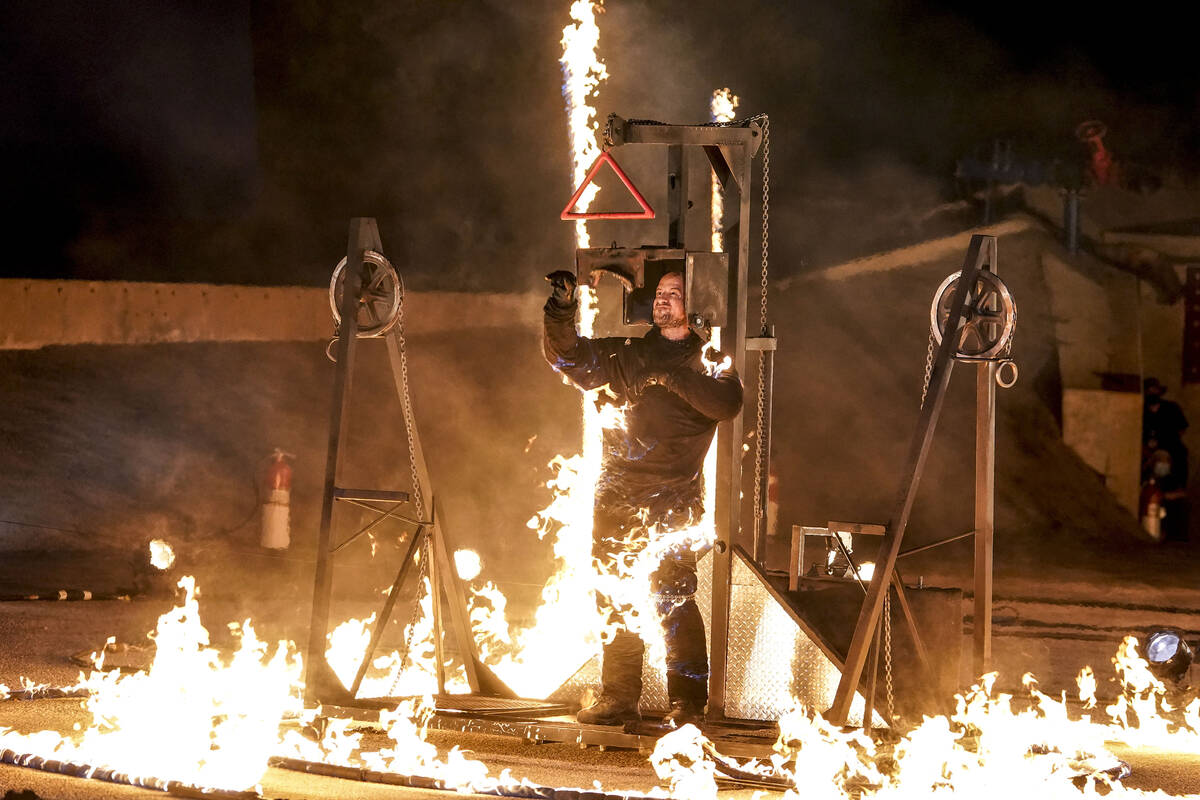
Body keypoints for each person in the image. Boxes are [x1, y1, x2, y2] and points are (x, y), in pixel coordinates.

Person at [542, 268, 743, 727]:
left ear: (693, 305)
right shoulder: (627, 353)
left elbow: (727, 404)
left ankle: (688, 704)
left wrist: (669, 378)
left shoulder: (710, 359)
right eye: (659, 294)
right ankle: (618, 697)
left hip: (674, 501)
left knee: (672, 598)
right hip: (616, 500)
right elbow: (569, 359)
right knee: (613, 597)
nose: (662, 301)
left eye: (673, 295)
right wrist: (561, 309)